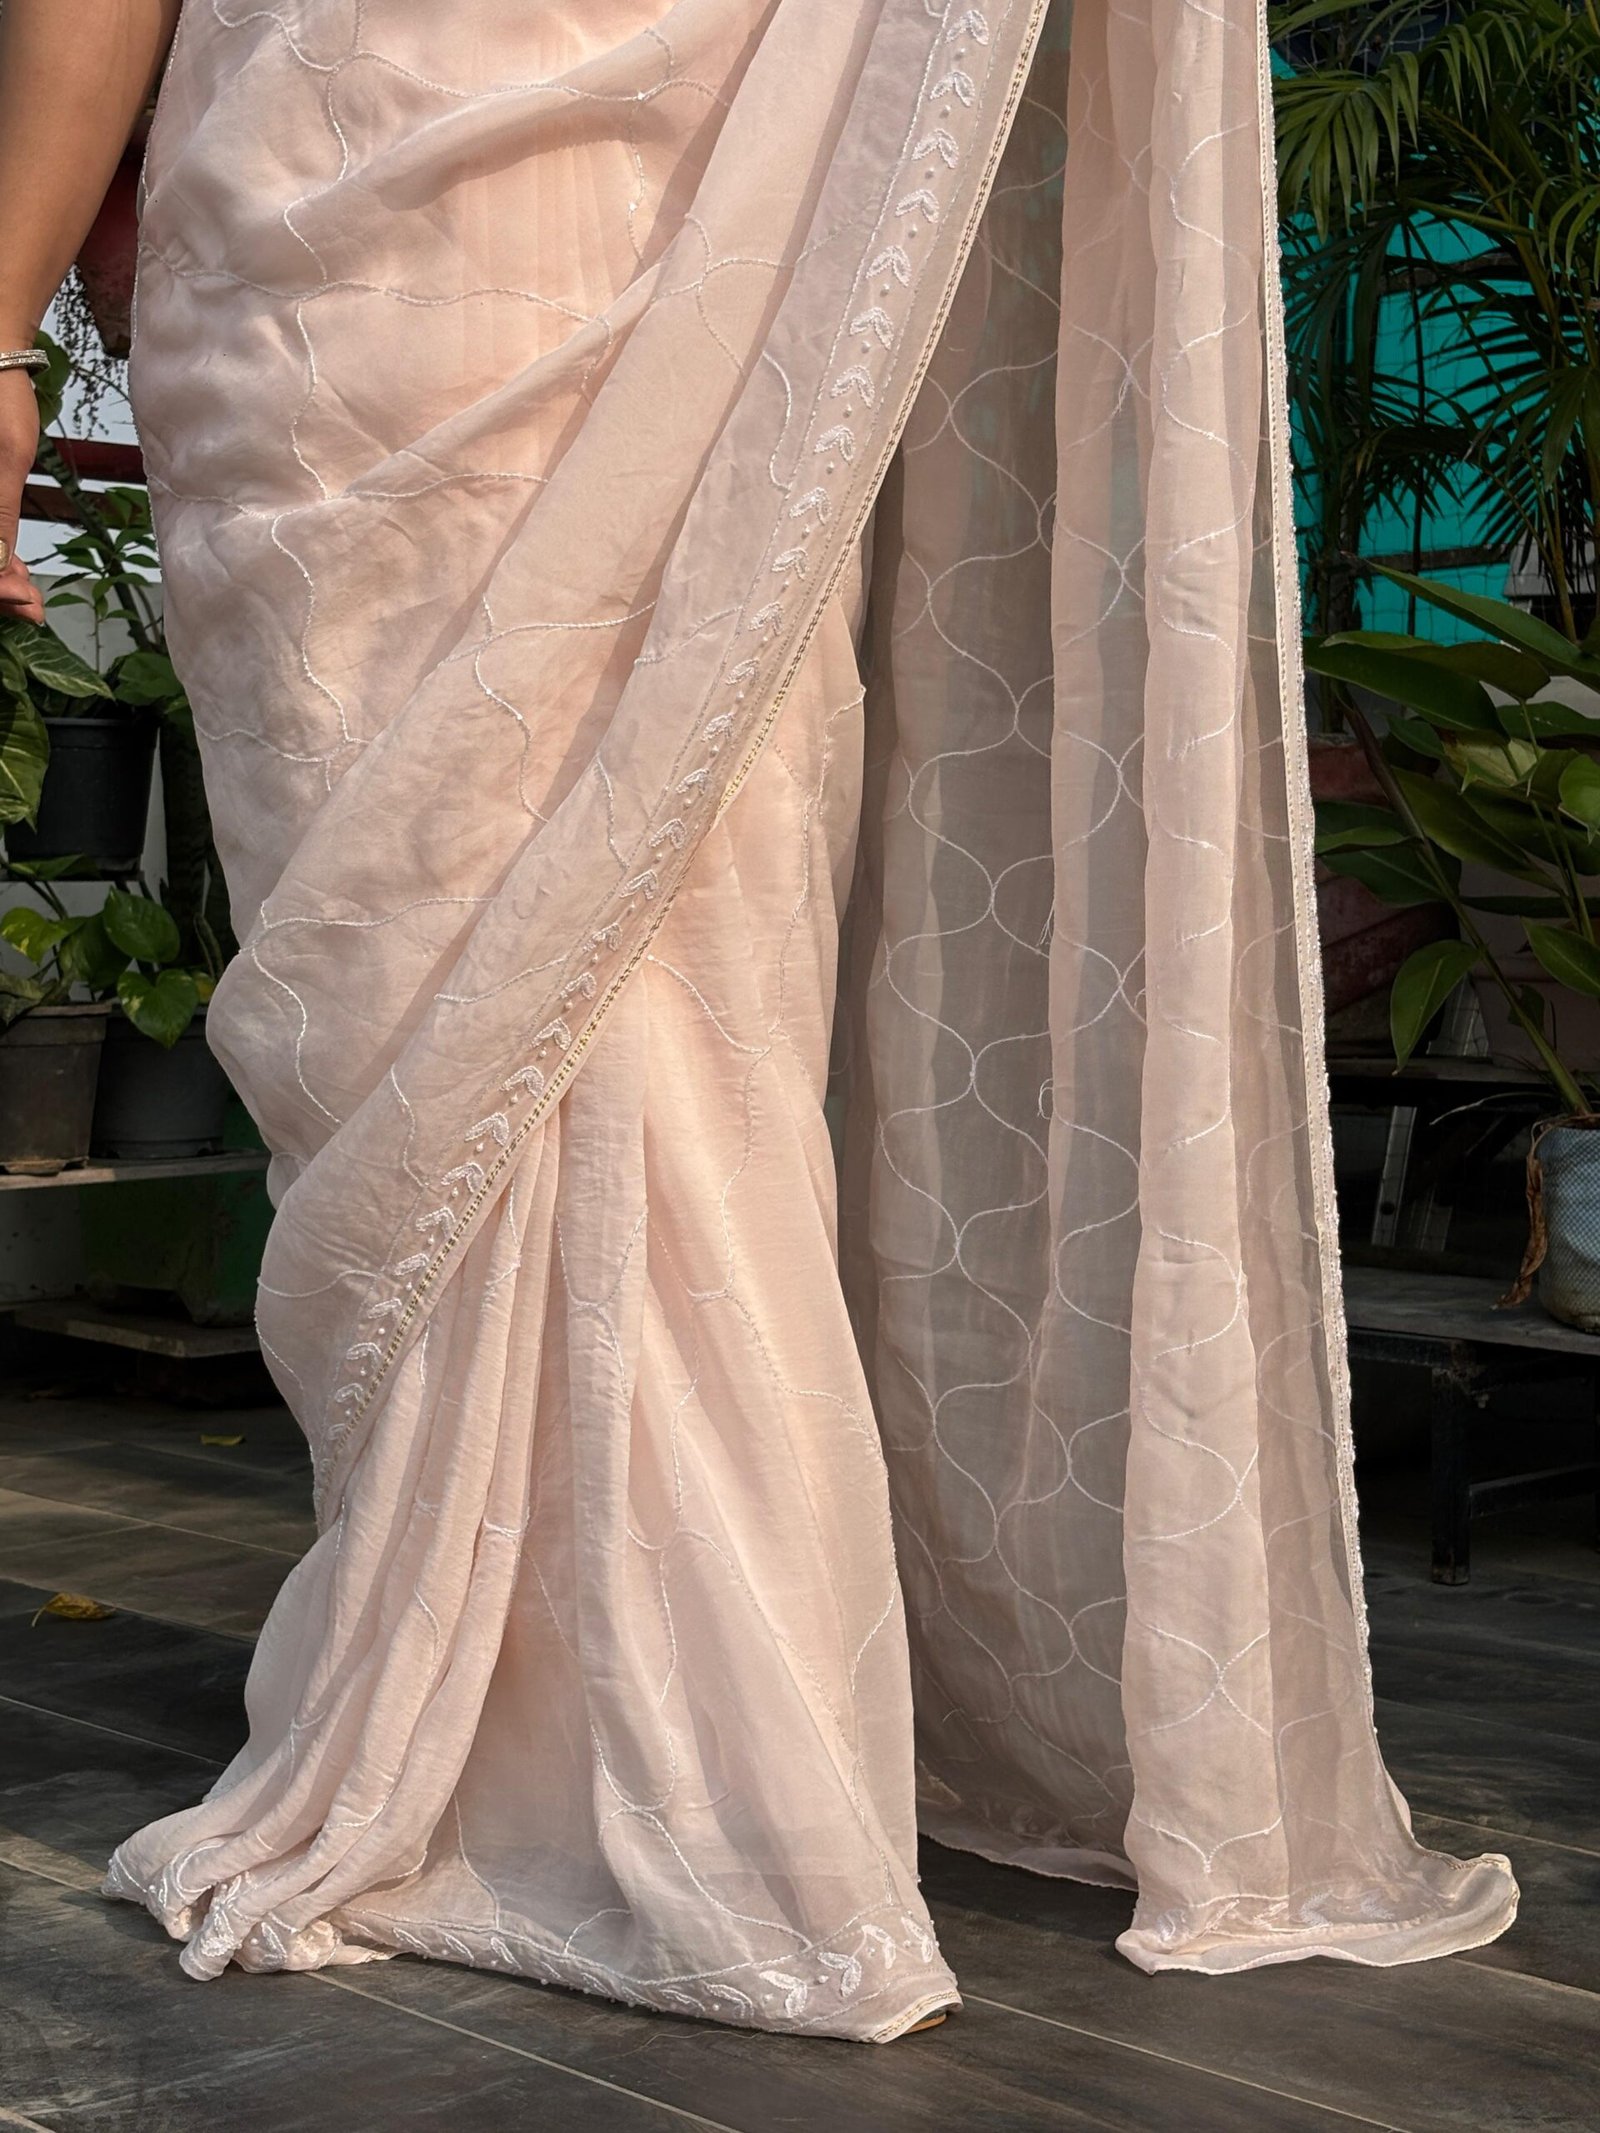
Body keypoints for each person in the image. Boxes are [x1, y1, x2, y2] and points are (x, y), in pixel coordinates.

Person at [0, 0, 1518, 2043]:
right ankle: (680, 1746)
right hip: (566, 232)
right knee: (592, 986)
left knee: (653, 981)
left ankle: (683, 1762)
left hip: (533, 226)